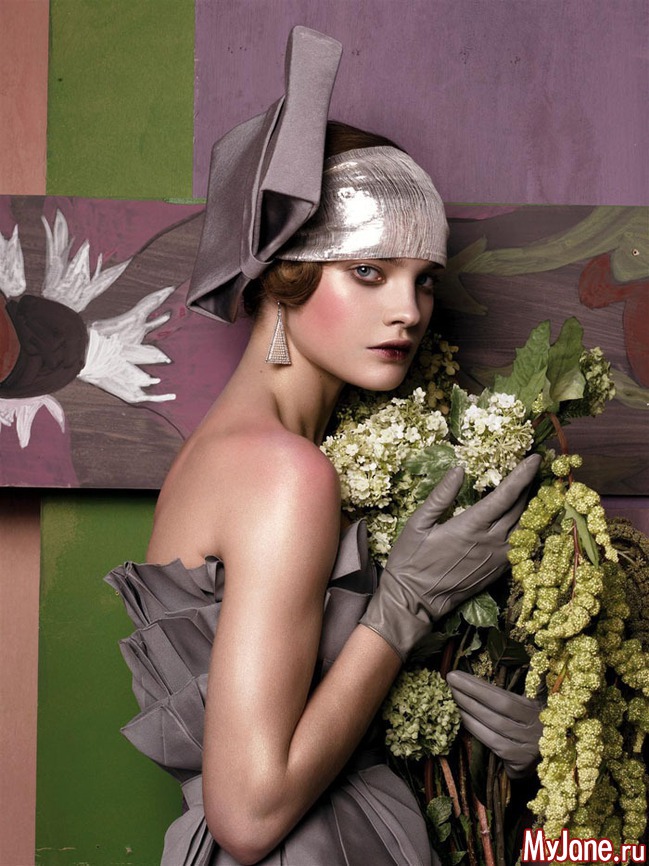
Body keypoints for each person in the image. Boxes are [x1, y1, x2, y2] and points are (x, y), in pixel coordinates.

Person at [107, 26, 541, 866]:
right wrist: (404, 604)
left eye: (423, 279)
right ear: (284, 275)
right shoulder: (284, 473)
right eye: (368, 272)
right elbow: (249, 813)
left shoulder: (238, 452)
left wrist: (510, 745)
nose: (408, 311)